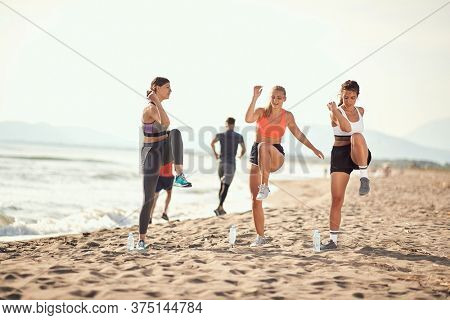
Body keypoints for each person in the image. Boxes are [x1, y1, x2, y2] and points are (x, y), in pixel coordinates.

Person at [245, 85, 324, 247]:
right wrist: (254, 97)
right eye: (273, 97)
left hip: (275, 154)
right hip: (256, 154)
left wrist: (313, 148)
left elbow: (298, 134)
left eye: (279, 98)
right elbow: (248, 119)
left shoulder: (287, 116)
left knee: (264, 146)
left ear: (284, 99)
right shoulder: (260, 112)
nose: (275, 100)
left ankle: (265, 186)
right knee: (255, 200)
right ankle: (260, 237)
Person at [138, 77, 192, 251]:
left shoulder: (157, 107)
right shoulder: (151, 108)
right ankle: (141, 240)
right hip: (151, 154)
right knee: (148, 199)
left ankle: (180, 175)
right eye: (167, 87)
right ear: (156, 88)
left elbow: (168, 127)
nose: (170, 90)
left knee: (175, 133)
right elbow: (166, 122)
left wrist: (157, 100)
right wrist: (155, 100)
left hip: (163, 150)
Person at [321, 80, 372, 251]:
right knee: (337, 199)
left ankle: (364, 178)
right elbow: (345, 126)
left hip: (358, 153)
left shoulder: (361, 111)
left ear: (357, 97)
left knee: (357, 136)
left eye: (352, 97)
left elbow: (353, 130)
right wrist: (335, 109)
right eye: (346, 97)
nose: (349, 101)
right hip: (340, 155)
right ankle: (332, 240)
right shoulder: (335, 112)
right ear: (341, 96)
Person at [210, 117, 246, 216]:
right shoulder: (239, 136)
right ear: (233, 124)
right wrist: (240, 155)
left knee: (222, 185)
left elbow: (212, 143)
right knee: (225, 186)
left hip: (221, 164)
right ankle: (219, 207)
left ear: (226, 124)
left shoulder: (220, 135)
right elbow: (244, 149)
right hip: (230, 164)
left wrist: (215, 154)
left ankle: (221, 208)